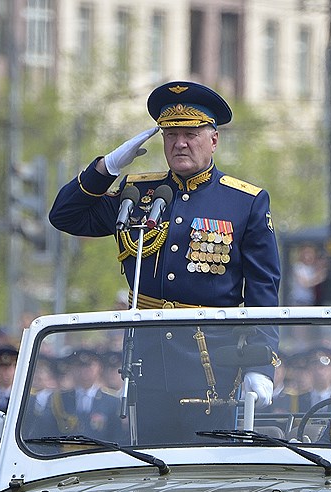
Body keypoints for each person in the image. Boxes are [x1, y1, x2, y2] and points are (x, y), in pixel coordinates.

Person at [49, 80, 281, 443]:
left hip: (210, 367)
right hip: (147, 360)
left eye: (190, 133)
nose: (179, 143)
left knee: (207, 472)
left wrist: (261, 364)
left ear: (213, 140)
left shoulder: (243, 202)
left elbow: (263, 291)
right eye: (171, 135)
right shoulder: (137, 191)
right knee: (151, 469)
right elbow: (65, 216)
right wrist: (106, 167)